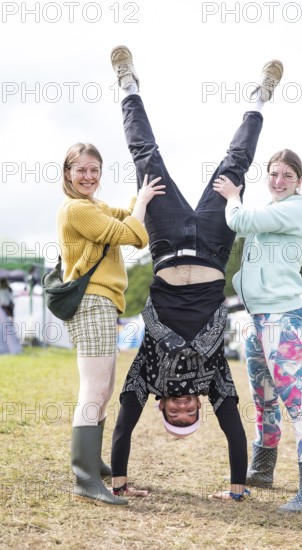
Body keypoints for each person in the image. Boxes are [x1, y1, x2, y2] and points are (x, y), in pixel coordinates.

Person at [109, 45, 283, 502]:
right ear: (199, 410)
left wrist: (121, 483)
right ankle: (259, 98)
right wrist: (237, 490)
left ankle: (127, 86)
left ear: (163, 407)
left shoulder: (146, 375)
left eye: (176, 413)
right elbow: (235, 433)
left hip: (165, 242)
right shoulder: (214, 381)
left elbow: (124, 425)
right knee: (234, 167)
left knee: (145, 157)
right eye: (190, 414)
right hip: (211, 243)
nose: (185, 406)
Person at [213, 150, 302, 513]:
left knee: (299, 404)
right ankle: (262, 470)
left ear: (299, 181)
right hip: (257, 318)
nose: (278, 181)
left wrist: (233, 197)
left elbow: (240, 221)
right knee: (262, 399)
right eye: (274, 174)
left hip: (283, 320)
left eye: (287, 176)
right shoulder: (274, 208)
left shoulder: (294, 209)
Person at [58, 142, 165, 505]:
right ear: (68, 173)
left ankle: (91, 461)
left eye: (94, 169)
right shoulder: (76, 210)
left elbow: (130, 218)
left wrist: (143, 196)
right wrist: (144, 202)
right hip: (92, 303)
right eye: (80, 169)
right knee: (94, 388)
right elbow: (132, 234)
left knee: (104, 390)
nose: (88, 176)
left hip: (105, 304)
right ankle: (84, 477)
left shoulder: (96, 207)